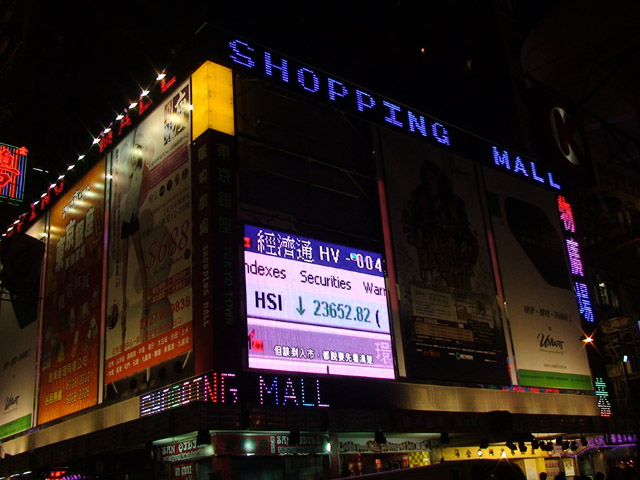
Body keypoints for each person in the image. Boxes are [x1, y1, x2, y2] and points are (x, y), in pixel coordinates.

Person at [120, 132, 152, 348]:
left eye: (137, 154)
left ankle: (146, 298)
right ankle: (123, 303)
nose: (134, 157)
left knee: (139, 256)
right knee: (125, 262)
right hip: (126, 217)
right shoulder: (132, 171)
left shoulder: (142, 171)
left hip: (133, 217)